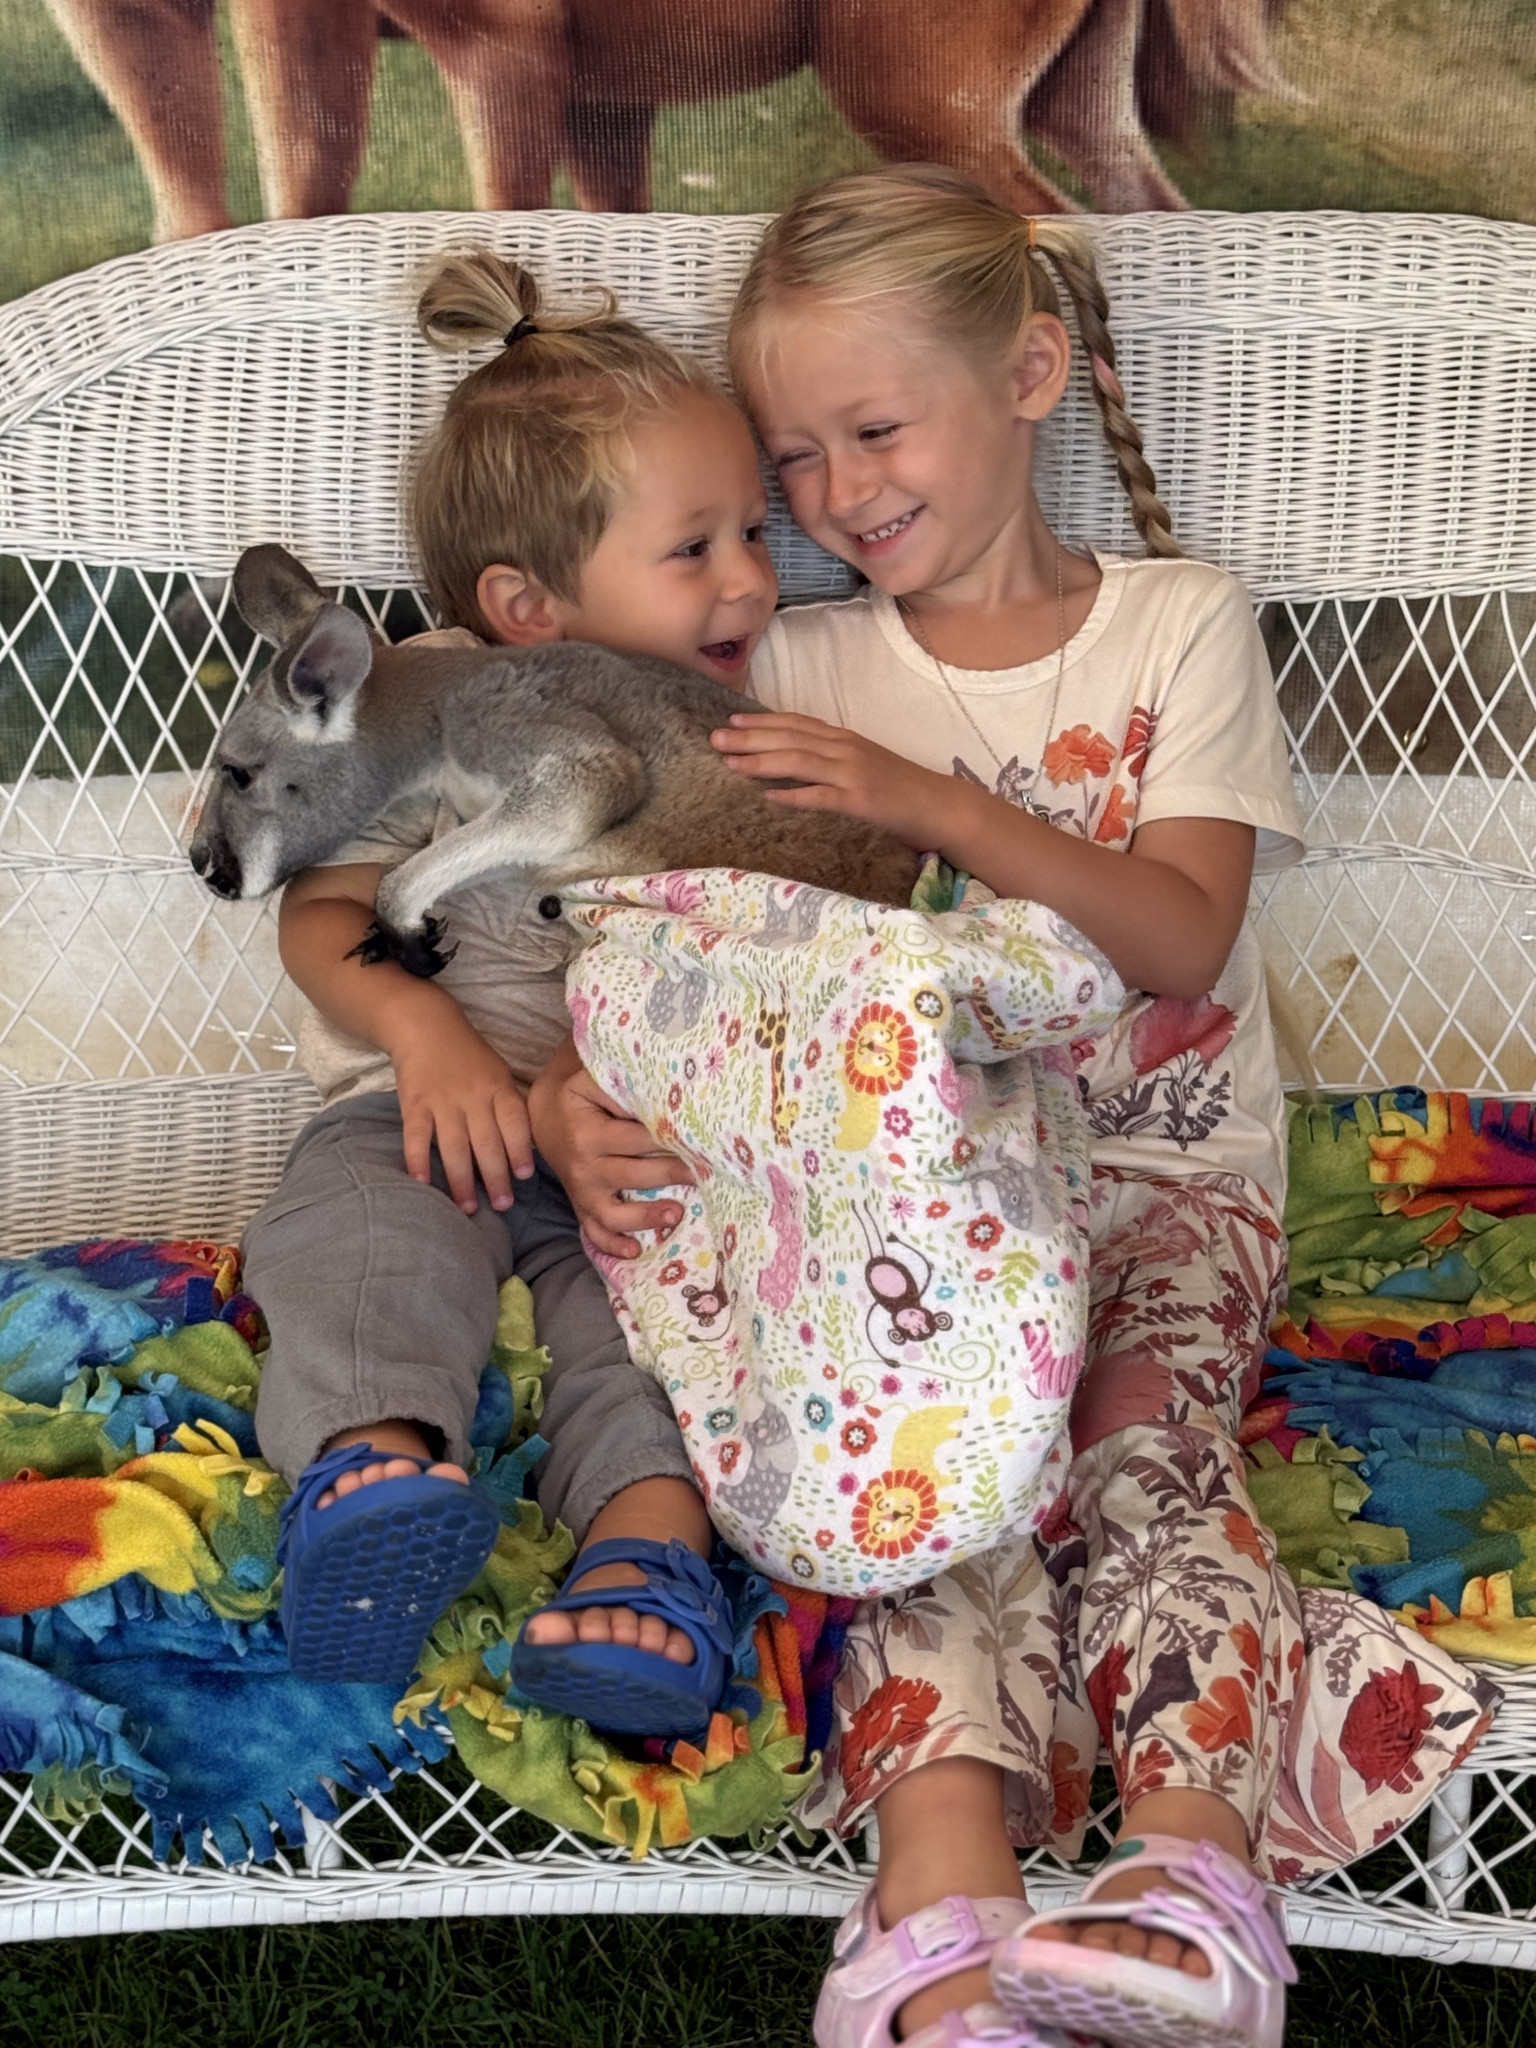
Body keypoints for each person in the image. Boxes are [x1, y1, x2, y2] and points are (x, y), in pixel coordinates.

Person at [539, 165, 1499, 2048]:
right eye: (794, 457)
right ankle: (943, 1921)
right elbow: (691, 938)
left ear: (1032, 374)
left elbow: (1184, 935)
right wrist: (574, 1095)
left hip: (1161, 1182)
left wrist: (931, 806)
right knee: (916, 1496)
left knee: (1144, 1451)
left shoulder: (1174, 626)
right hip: (909, 1205)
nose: (834, 493)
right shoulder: (790, 666)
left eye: (875, 429)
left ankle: (1193, 1886)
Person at [242, 251, 778, 1738]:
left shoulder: (732, 746)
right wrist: (425, 1035)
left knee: (666, 1333)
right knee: (360, 1246)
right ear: (526, 606)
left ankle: (646, 1562)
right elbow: (321, 911)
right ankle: (369, 1465)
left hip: (625, 1154)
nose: (752, 578)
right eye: (696, 548)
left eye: (754, 532)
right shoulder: (438, 705)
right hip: (418, 1120)